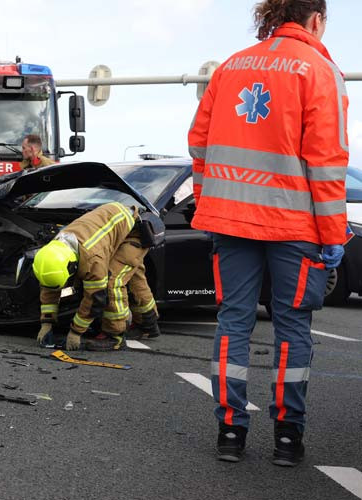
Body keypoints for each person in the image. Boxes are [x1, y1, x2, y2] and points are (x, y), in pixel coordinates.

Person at [188, 0, 348, 466]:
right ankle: (287, 437)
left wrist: (210, 200)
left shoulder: (231, 67)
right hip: (294, 226)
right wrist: (332, 233)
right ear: (315, 19)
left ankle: (230, 432)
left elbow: (198, 142)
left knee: (232, 322)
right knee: (292, 327)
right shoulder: (318, 70)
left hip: (230, 223)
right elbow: (326, 162)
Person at [32, 202, 158, 351]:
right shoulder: (52, 253)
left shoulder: (93, 260)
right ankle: (148, 323)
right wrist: (46, 323)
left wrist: (76, 332)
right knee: (134, 276)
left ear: (72, 265)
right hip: (117, 224)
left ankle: (115, 337)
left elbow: (95, 299)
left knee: (112, 281)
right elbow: (49, 289)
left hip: (134, 232)